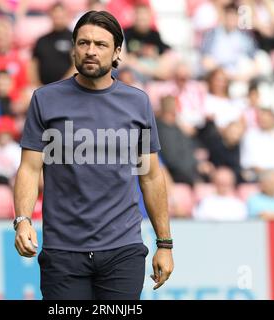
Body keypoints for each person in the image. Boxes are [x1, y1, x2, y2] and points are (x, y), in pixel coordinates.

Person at [13, 10, 174, 300]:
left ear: (116, 52)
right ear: (73, 48)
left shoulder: (138, 103)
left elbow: (150, 177)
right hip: (63, 252)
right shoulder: (45, 100)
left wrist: (165, 244)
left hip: (122, 250)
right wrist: (22, 220)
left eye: (100, 44)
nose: (91, 51)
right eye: (83, 43)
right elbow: (28, 168)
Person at [30, 2, 75, 86]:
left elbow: (76, 66)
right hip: (42, 89)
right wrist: (37, 84)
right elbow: (33, 64)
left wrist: (61, 85)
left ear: (67, 16)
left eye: (61, 16)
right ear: (51, 16)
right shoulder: (41, 40)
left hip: (66, 88)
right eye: (55, 16)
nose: (58, 19)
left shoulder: (74, 39)